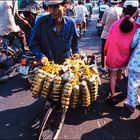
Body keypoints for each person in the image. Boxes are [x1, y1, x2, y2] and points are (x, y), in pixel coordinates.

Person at [104, 0, 139, 105]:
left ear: (123, 10)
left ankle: (113, 95)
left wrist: (105, 52)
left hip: (113, 55)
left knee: (112, 76)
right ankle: (118, 84)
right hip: (125, 57)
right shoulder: (137, 26)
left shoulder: (115, 25)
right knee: (119, 71)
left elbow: (108, 41)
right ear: (135, 11)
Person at [29, 0, 79, 65]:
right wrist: (41, 56)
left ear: (64, 6)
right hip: (47, 65)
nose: (52, 10)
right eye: (50, 7)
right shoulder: (41, 22)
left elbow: (75, 40)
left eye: (56, 7)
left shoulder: (71, 23)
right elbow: (33, 42)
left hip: (66, 64)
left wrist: (76, 52)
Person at [100, 0, 123, 70]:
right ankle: (117, 66)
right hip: (117, 35)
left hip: (106, 34)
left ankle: (103, 66)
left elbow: (103, 21)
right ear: (118, 3)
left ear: (111, 2)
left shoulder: (107, 10)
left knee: (104, 50)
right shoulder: (121, 10)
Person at [124, 26, 140, 113]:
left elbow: (133, 43)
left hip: (136, 62)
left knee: (133, 84)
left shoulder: (139, 30)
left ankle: (131, 104)